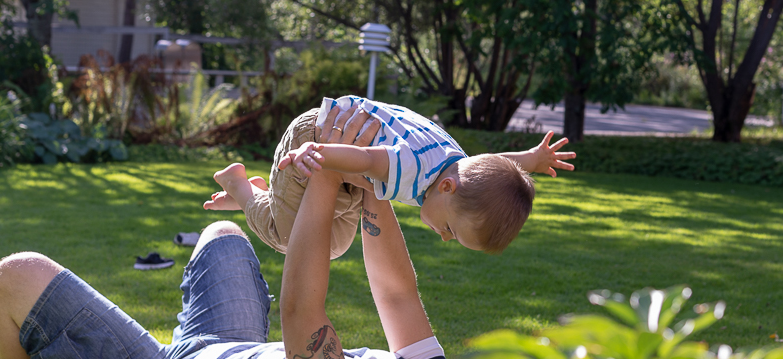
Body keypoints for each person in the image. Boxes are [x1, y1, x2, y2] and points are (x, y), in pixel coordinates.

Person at [0, 112, 548, 359]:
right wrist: (370, 178)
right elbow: (396, 293)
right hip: (222, 351)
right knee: (224, 235)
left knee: (16, 275)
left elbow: (301, 311)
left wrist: (327, 168)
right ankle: (246, 202)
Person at [204, 95, 575, 259]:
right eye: (451, 229)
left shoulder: (456, 164)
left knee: (331, 246)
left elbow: (492, 163)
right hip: (319, 142)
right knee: (290, 237)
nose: (444, 236)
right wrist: (318, 152)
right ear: (447, 188)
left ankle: (261, 198)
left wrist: (529, 160)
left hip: (348, 167)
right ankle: (240, 185)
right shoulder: (411, 169)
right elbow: (367, 157)